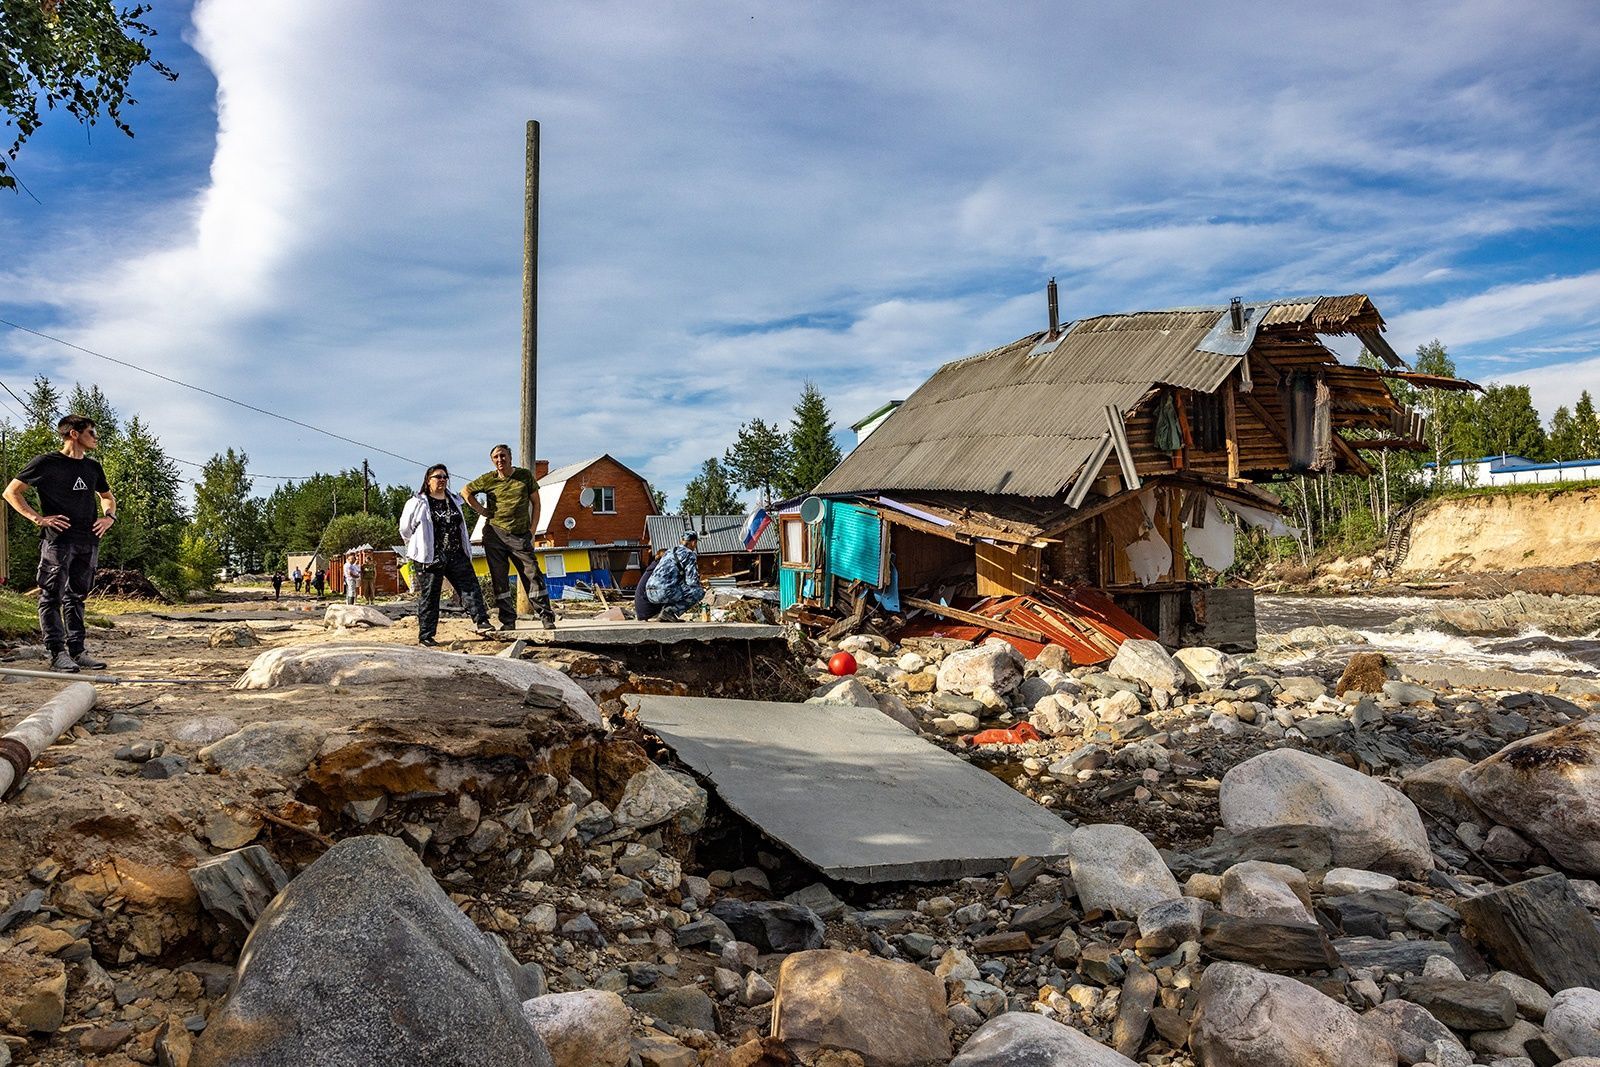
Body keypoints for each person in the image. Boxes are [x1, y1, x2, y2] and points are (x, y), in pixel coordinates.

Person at [2, 414, 116, 673]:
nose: (95, 438)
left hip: (88, 541)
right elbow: (11, 492)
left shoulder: (93, 467)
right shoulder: (45, 463)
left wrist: (109, 518)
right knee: (51, 595)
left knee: (77, 596)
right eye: (91, 433)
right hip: (58, 542)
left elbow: (107, 497)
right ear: (74, 434)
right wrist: (37, 518)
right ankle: (57, 653)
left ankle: (78, 651)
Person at [463, 444, 556, 631]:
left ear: (510, 457)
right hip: (494, 535)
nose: (500, 460)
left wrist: (532, 531)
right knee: (500, 579)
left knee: (532, 574)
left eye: (503, 456)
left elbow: (536, 503)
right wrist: (481, 510)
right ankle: (508, 621)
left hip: (520, 535)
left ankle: (546, 617)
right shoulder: (488, 479)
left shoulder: (524, 476)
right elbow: (466, 491)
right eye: (496, 457)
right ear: (492, 460)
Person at [400, 464, 492, 646]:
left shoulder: (454, 501)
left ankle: (482, 621)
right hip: (430, 555)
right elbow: (405, 529)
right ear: (428, 481)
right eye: (437, 477)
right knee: (430, 594)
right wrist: (417, 546)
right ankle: (426, 635)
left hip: (456, 552)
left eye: (444, 477)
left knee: (469, 586)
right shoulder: (417, 502)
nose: (442, 480)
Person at [645, 530, 704, 623]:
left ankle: (664, 614)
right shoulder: (689, 554)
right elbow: (691, 581)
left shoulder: (669, 552)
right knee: (698, 592)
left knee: (674, 586)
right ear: (693, 542)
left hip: (649, 592)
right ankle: (670, 612)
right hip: (664, 592)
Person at [633, 555, 662, 622]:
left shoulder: (651, 568)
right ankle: (667, 613)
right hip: (648, 612)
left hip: (642, 611)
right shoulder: (658, 570)